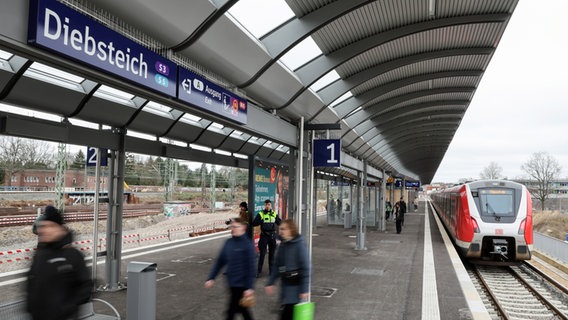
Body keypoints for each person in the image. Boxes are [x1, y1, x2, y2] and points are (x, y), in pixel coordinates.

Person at [27, 205, 92, 320]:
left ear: (60, 229)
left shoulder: (73, 255)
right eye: (42, 227)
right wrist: (30, 307)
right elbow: (31, 285)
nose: (43, 230)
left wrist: (66, 308)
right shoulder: (39, 255)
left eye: (50, 226)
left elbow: (86, 287)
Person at [205, 218, 256, 320]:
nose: (233, 229)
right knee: (242, 310)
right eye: (232, 227)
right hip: (231, 283)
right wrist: (211, 277)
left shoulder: (248, 245)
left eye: (236, 227)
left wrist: (249, 287)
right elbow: (220, 261)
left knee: (232, 311)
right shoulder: (228, 243)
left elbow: (251, 268)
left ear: (243, 228)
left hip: (242, 285)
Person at [265, 219, 310, 320]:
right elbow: (277, 265)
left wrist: (304, 289)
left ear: (291, 230)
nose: (280, 231)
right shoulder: (283, 244)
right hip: (285, 290)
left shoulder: (299, 245)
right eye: (280, 229)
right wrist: (270, 282)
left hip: (296, 291)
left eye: (283, 229)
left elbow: (306, 268)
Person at [252, 199, 281, 277]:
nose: (267, 206)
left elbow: (279, 223)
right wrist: (260, 221)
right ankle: (258, 271)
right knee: (262, 254)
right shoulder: (261, 214)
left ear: (270, 205)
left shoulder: (274, 214)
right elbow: (254, 223)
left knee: (272, 254)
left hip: (272, 236)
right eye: (266, 205)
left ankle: (271, 272)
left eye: (268, 204)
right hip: (264, 236)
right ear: (264, 205)